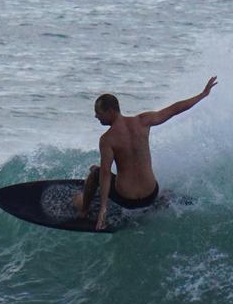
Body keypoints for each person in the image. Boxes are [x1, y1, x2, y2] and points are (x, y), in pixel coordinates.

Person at [74, 76, 218, 230]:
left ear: (110, 111)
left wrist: (103, 208)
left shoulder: (107, 139)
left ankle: (83, 211)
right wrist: (202, 94)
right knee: (158, 190)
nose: (96, 116)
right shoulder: (142, 121)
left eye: (98, 112)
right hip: (151, 194)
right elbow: (174, 109)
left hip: (127, 200)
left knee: (95, 174)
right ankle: (160, 201)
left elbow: (105, 174)